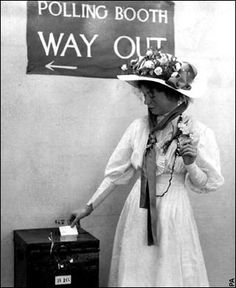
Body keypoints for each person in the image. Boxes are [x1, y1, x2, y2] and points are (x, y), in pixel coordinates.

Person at [69, 48, 224, 287]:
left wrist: (191, 164)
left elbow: (208, 183)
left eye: (152, 95)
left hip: (173, 212)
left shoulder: (198, 132)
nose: (146, 101)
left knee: (169, 273)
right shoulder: (138, 128)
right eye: (144, 94)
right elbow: (116, 174)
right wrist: (89, 205)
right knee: (138, 272)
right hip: (139, 210)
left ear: (173, 94)